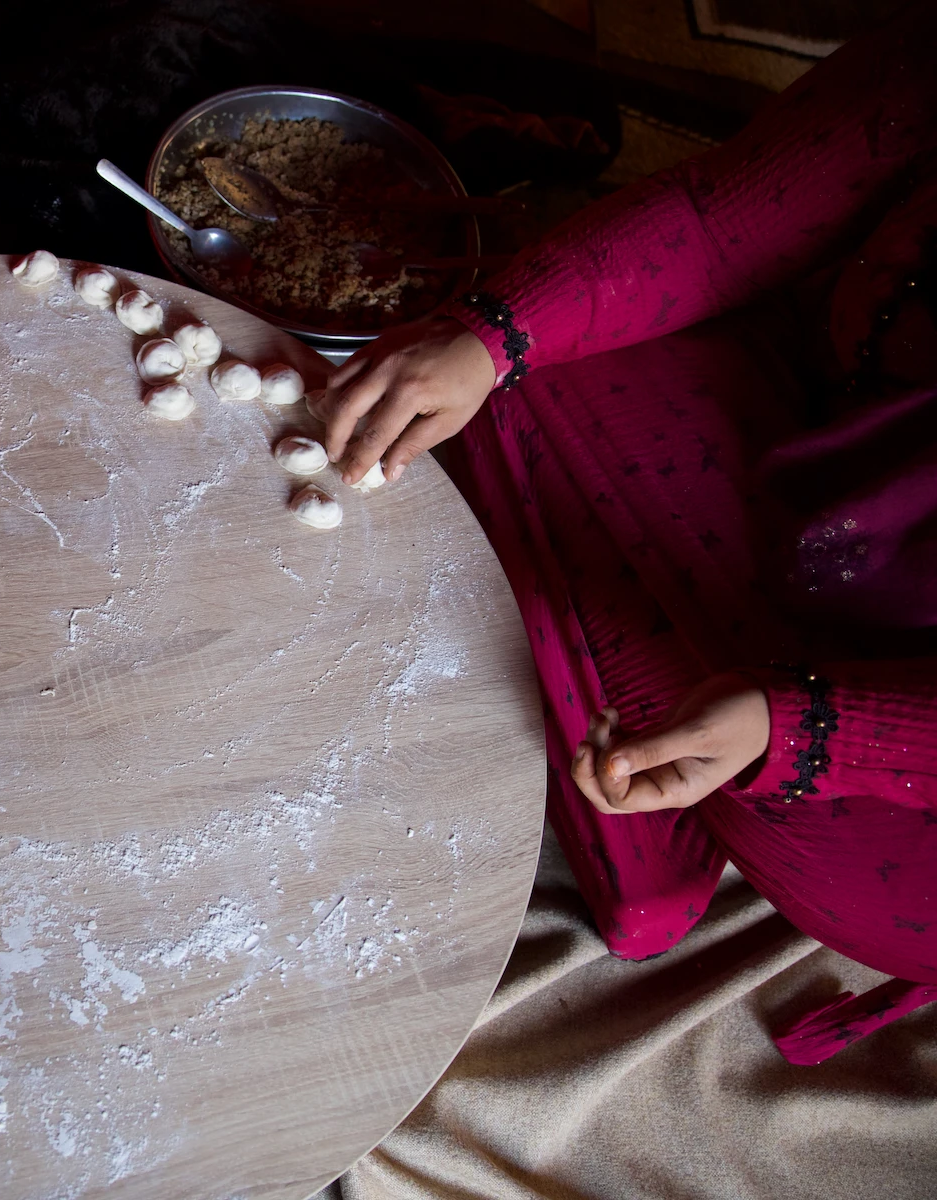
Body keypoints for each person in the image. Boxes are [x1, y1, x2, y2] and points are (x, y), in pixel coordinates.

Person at [318, 5, 937, 1060]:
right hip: (827, 428)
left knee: (784, 797)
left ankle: (681, 772)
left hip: (904, 774)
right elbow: (722, 220)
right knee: (495, 344)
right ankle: (655, 751)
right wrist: (494, 335)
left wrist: (796, 728)